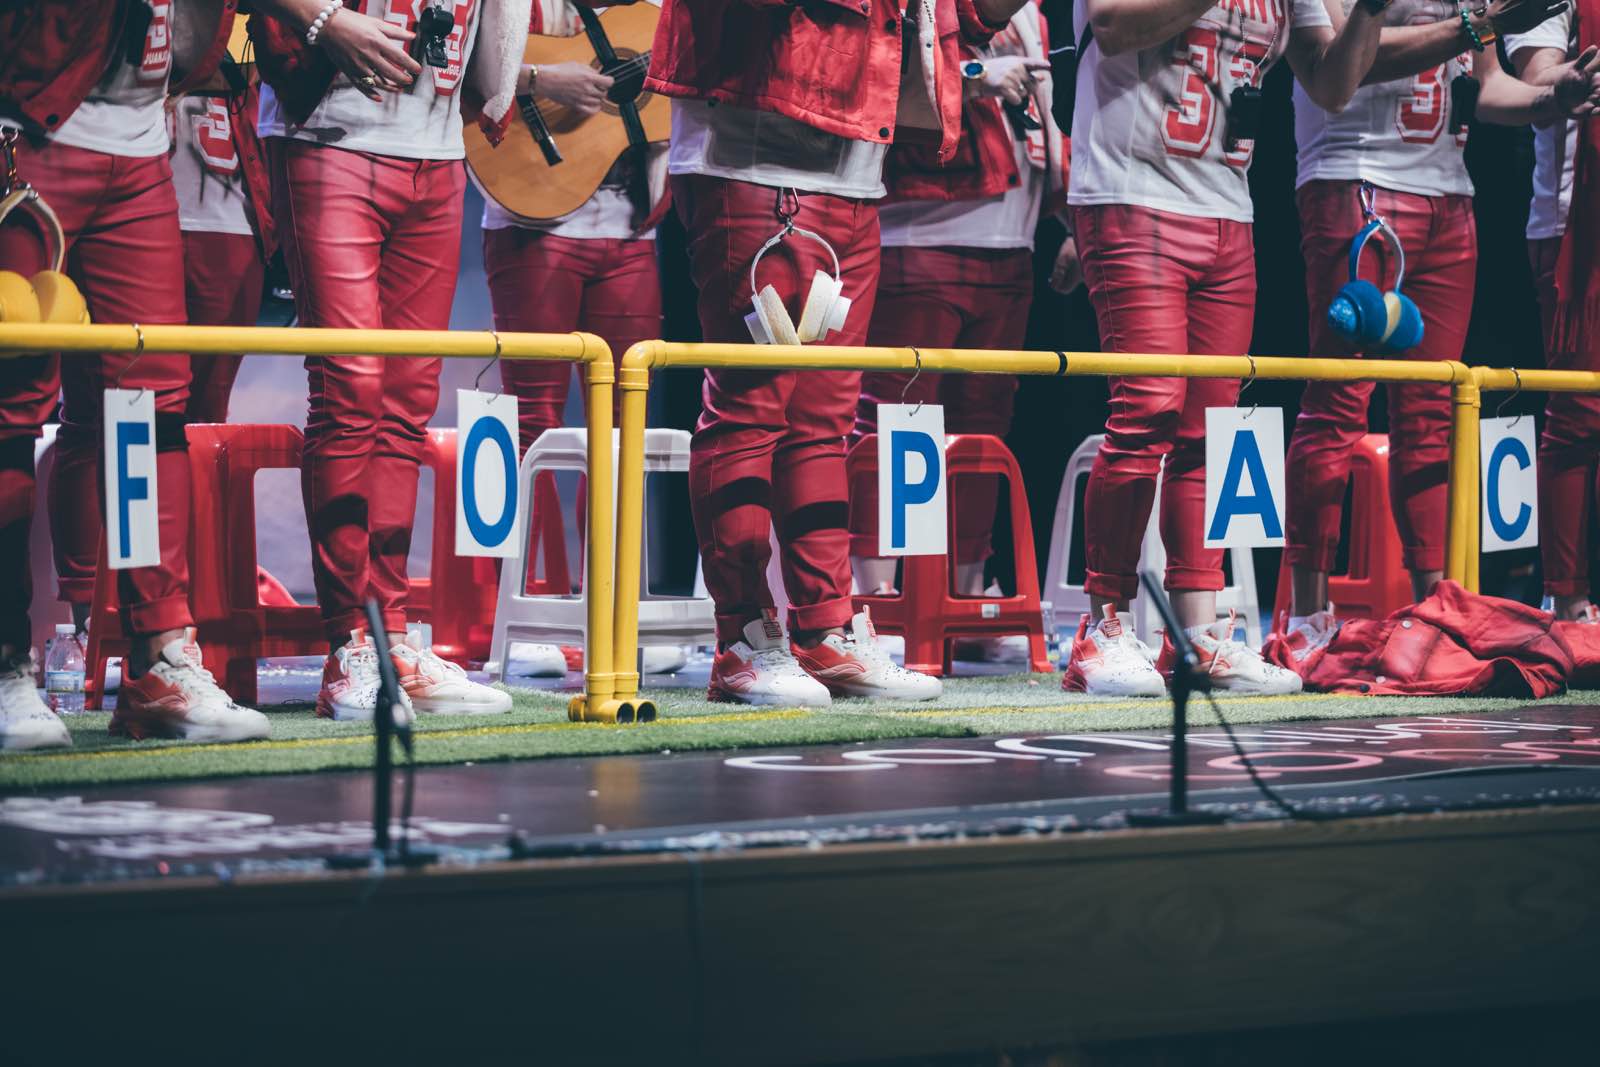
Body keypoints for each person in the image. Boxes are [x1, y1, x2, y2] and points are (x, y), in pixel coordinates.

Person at [645, 0, 1034, 707]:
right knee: (749, 410)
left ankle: (825, 628)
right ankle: (742, 639)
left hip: (855, 163)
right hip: (757, 149)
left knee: (822, 420)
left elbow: (967, 15)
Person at [1061, 0, 1388, 697]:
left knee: (1209, 430)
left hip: (1226, 205)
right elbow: (1115, 25)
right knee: (1146, 410)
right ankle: (1103, 629)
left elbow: (1330, 84)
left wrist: (1373, 9)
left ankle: (1196, 635)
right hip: (1130, 190)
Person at [0, 1, 289, 750]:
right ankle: (4, 664)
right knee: (10, 404)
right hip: (27, 128)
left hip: (138, 143)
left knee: (151, 405)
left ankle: (159, 658)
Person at [1278, 0, 1600, 661]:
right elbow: (1343, 66)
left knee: (1431, 416)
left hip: (1448, 191)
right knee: (1338, 404)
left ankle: (1436, 609)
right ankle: (1307, 615)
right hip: (1355, 175)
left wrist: (1556, 97)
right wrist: (1481, 27)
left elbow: (1487, 88)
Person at [252, 0, 532, 721]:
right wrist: (322, 22)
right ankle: (352, 643)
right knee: (352, 389)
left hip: (436, 152)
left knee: (408, 403)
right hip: (330, 134)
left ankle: (390, 632)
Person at [847, 0, 1075, 665]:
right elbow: (880, 74)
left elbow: (1045, 115)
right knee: (899, 422)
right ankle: (880, 594)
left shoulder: (1031, 11)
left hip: (1012, 240)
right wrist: (977, 72)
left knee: (984, 428)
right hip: (922, 230)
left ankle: (966, 599)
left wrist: (1070, 215)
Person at [478, 0, 673, 678]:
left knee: (623, 430)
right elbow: (468, 66)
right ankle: (534, 605)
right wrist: (539, 81)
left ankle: (609, 609)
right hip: (532, 218)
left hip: (626, 228)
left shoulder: (654, 14)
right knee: (533, 428)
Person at [1509, 0, 1600, 623]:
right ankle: (1567, 602)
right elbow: (1534, 73)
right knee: (1580, 415)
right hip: (1577, 225)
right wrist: (1572, 79)